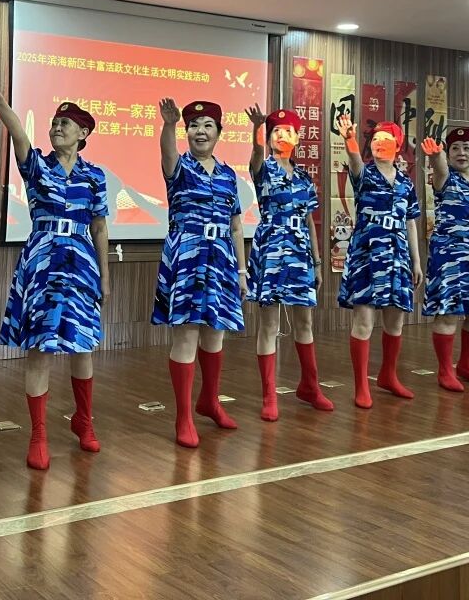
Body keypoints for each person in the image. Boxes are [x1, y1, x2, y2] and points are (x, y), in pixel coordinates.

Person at [0, 68, 110, 470]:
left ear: (83, 133)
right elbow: (19, 134)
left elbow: (100, 227)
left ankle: (84, 420)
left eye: (64, 124)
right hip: (42, 262)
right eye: (53, 123)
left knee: (82, 347)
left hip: (81, 263)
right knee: (39, 349)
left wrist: (104, 275)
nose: (56, 128)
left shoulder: (95, 176)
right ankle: (38, 434)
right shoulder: (37, 166)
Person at [152, 98, 247, 447]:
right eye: (194, 125)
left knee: (215, 335)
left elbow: (235, 226)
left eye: (208, 125)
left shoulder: (228, 176)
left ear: (219, 132)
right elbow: (167, 152)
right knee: (187, 336)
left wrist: (241, 271)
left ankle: (210, 401)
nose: (200, 131)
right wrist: (169, 125)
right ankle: (184, 417)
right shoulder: (179, 168)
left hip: (221, 258)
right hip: (187, 257)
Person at [243, 105, 332, 422]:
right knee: (269, 325)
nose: (282, 135)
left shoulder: (305, 179)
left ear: (297, 138)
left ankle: (310, 387)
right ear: (268, 138)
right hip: (270, 251)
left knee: (304, 322)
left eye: (289, 131)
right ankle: (269, 396)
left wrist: (317, 263)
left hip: (300, 253)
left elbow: (309, 221)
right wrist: (257, 128)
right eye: (275, 131)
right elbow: (255, 155)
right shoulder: (263, 169)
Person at [337, 118, 423, 404]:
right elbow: (354, 160)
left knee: (395, 320)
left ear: (398, 147)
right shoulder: (364, 173)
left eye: (386, 140)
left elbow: (410, 222)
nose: (379, 144)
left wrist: (416, 261)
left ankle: (389, 375)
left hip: (397, 255)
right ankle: (361, 385)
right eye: (375, 140)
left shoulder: (406, 183)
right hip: (367, 254)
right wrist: (349, 139)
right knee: (363, 319)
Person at [421, 128, 469, 392]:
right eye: (455, 148)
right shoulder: (445, 178)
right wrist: (436, 156)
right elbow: (440, 168)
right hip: (450, 257)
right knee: (449, 313)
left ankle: (466, 364)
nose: (461, 153)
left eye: (467, 148)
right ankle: (445, 370)